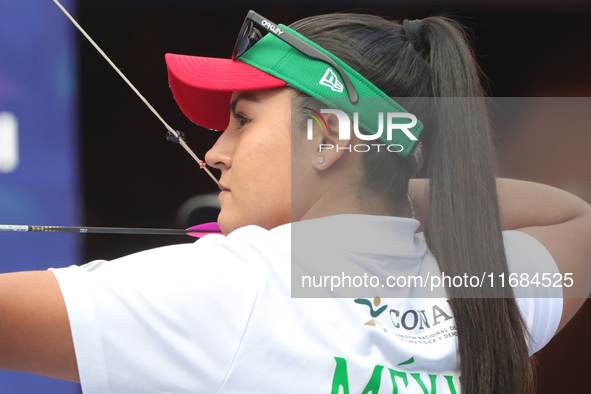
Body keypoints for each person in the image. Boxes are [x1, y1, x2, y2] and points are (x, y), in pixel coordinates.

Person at [1, 9, 591, 394]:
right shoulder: (484, 283)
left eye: (241, 120)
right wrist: (379, 192)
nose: (214, 153)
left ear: (329, 138)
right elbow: (575, 219)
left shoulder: (231, 288)